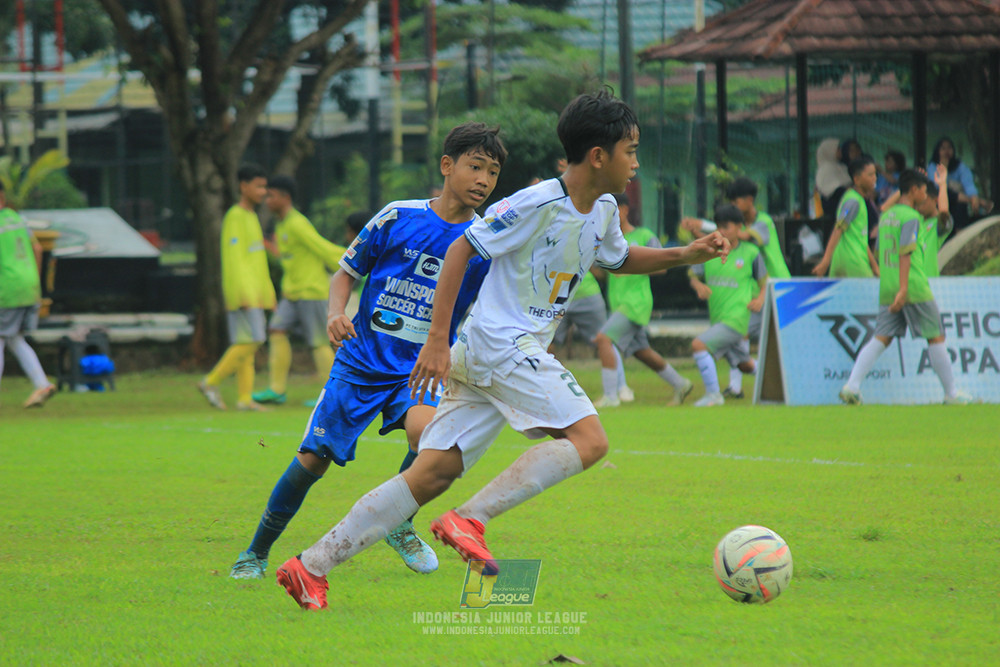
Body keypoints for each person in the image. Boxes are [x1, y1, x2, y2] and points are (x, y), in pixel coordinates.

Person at [273, 90, 730, 610]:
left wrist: (685, 255)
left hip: (495, 351)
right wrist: (437, 342)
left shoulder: (603, 209)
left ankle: (310, 566)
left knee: (432, 472)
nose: (636, 163)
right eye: (631, 150)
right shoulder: (536, 203)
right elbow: (460, 247)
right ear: (598, 156)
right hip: (498, 343)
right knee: (590, 439)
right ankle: (471, 519)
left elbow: (620, 258)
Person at [228, 122, 506, 581]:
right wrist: (336, 312)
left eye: (493, 173)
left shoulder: (484, 243)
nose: (484, 180)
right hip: (360, 363)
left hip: (420, 370)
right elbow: (345, 272)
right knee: (312, 462)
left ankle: (399, 522)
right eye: (476, 167)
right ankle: (255, 553)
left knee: (430, 441)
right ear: (446, 165)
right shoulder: (399, 216)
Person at [839, 170, 972, 406]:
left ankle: (852, 385)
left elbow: (880, 251)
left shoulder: (888, 217)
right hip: (912, 286)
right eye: (922, 189)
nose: (924, 194)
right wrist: (903, 289)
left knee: (881, 337)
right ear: (914, 190)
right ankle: (952, 394)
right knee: (936, 336)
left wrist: (892, 284)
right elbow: (906, 252)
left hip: (887, 285)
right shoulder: (911, 217)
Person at [252, 175, 346, 406]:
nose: (266, 200)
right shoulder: (283, 223)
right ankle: (276, 389)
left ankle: (330, 395)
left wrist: (354, 259)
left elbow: (321, 247)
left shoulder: (297, 223)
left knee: (318, 342)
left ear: (285, 197)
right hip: (292, 293)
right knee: (276, 330)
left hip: (311, 291)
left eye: (271, 195)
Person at [593, 192, 692, 407]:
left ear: (625, 209)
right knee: (642, 352)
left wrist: (630, 269)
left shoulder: (645, 235)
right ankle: (681, 383)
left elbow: (662, 267)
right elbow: (602, 273)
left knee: (603, 339)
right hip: (619, 303)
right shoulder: (607, 240)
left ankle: (611, 396)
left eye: (611, 210)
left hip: (636, 303)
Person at [197, 164, 276, 411]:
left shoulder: (251, 216)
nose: (263, 191)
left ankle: (244, 399)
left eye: (265, 186)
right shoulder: (235, 216)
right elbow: (233, 259)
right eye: (259, 186)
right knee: (254, 339)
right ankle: (210, 382)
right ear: (243, 186)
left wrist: (265, 292)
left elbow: (255, 259)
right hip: (243, 293)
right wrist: (242, 292)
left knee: (247, 344)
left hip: (255, 292)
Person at [687, 204, 767, 407]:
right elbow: (692, 274)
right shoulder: (710, 251)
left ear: (739, 227)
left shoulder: (751, 252)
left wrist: (760, 298)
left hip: (738, 318)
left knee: (698, 345)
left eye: (727, 227)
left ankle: (714, 395)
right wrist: (698, 285)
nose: (722, 231)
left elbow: (764, 281)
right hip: (718, 317)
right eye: (718, 227)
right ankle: (780, 381)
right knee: (745, 365)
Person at [725, 176, 788, 398]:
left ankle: (772, 378)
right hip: (759, 291)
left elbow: (747, 238)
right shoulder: (740, 226)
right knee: (740, 331)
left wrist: (707, 225)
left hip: (779, 287)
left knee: (781, 339)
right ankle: (736, 386)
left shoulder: (764, 222)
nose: (733, 206)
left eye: (736, 201)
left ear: (749, 200)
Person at [0, 181, 57, 408]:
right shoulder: (17, 219)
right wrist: (34, 278)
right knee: (15, 338)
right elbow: (38, 249)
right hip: (29, 285)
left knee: (1, 338)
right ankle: (42, 384)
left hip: (7, 288)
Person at [812, 156, 880, 278]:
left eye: (875, 174)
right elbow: (838, 229)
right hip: (854, 261)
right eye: (870, 175)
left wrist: (875, 266)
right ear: (857, 179)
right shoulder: (853, 201)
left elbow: (861, 239)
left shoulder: (857, 199)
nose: (874, 178)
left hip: (845, 260)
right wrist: (825, 261)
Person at [928, 136, 991, 231]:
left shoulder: (959, 166)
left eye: (949, 148)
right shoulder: (932, 166)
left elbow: (969, 184)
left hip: (958, 203)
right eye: (943, 148)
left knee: (960, 206)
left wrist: (973, 197)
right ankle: (979, 202)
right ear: (938, 151)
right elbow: (936, 187)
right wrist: (943, 168)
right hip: (939, 202)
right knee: (948, 192)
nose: (947, 152)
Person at [918, 165, 954, 278]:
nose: (919, 206)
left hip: (930, 281)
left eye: (923, 202)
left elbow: (943, 212)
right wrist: (911, 184)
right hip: (912, 281)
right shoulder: (914, 219)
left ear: (935, 200)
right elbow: (885, 209)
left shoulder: (938, 225)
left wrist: (942, 184)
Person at [814, 138, 851, 218]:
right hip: (835, 211)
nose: (840, 151)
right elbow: (833, 190)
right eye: (837, 149)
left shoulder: (841, 167)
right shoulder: (825, 169)